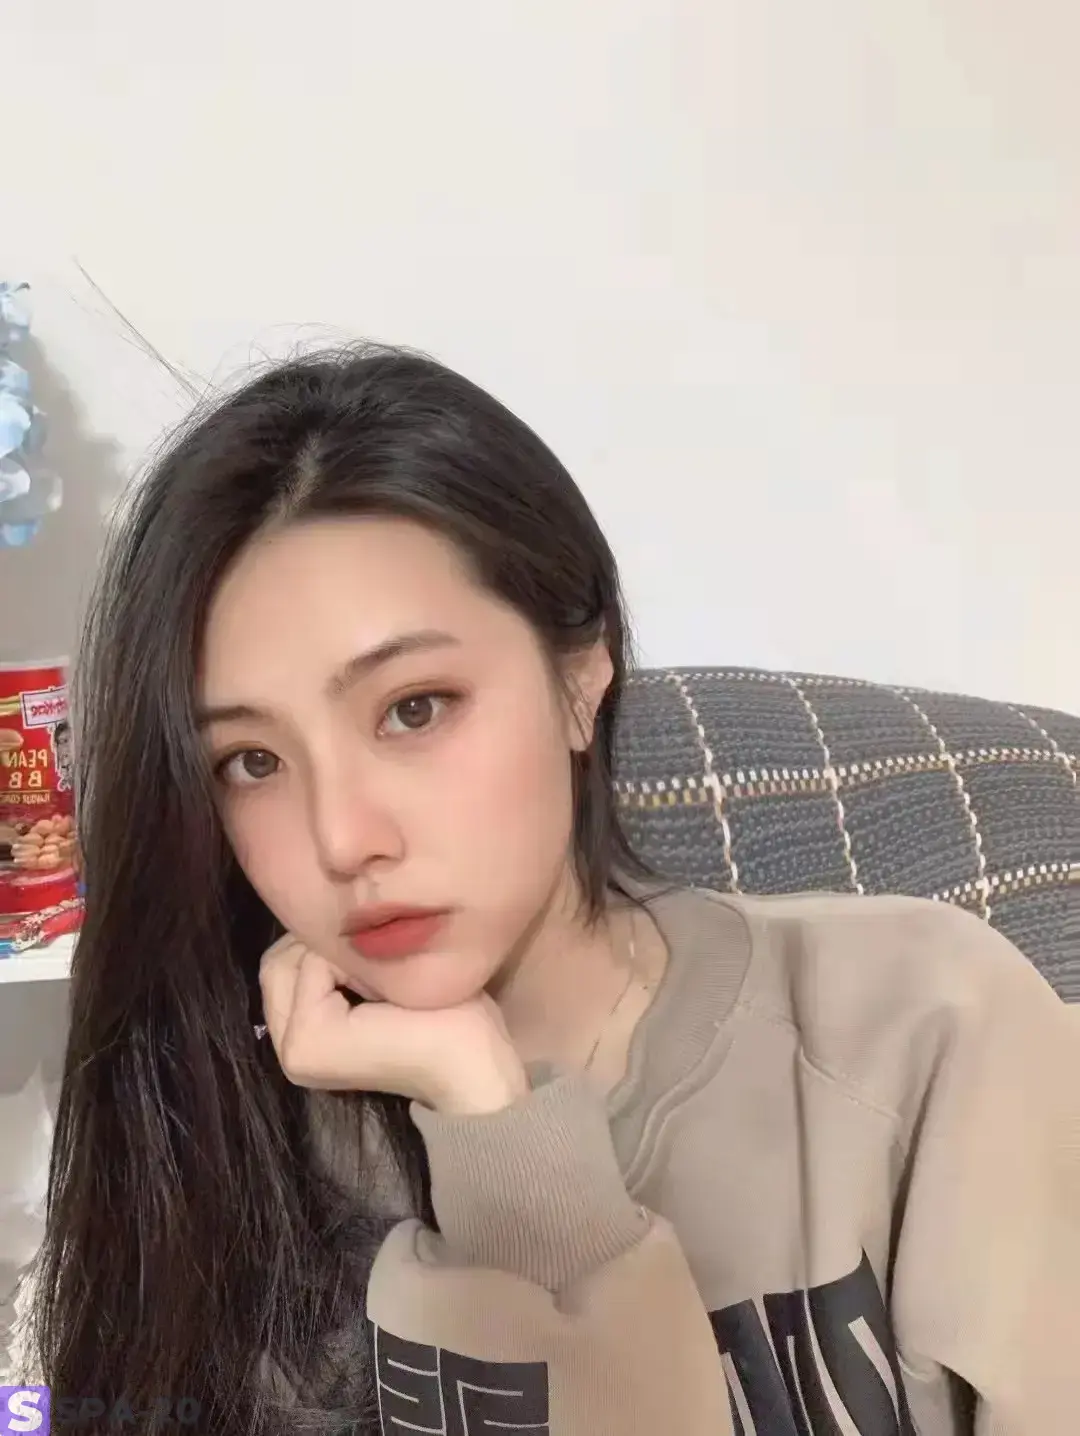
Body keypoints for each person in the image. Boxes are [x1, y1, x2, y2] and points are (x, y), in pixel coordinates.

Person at [28, 347, 1078, 1436]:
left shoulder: (925, 1020)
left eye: (415, 708)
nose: (343, 838)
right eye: (251, 762)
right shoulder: (214, 1149)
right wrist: (489, 1124)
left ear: (581, 676)